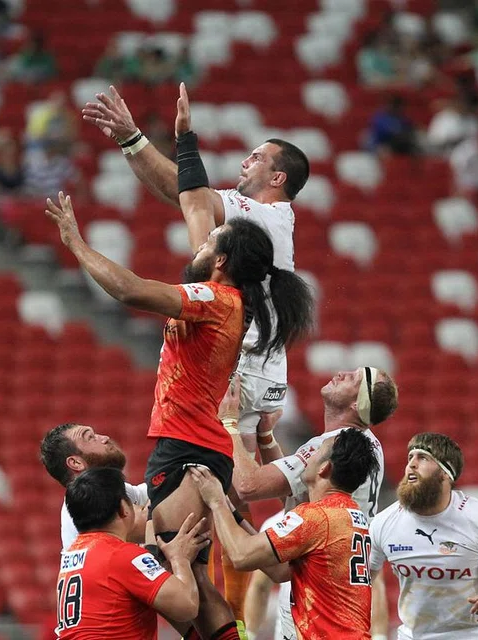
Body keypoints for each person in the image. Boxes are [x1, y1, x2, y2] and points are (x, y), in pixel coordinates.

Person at [83, 84, 313, 616]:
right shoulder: (254, 234)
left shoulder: (264, 218)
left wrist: (143, 139)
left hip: (238, 368)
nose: (245, 160)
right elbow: (190, 201)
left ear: (277, 178)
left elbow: (190, 196)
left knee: (187, 532)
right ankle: (279, 556)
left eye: (257, 156)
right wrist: (138, 142)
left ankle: (295, 550)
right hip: (243, 364)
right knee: (213, 523)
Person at [43, 189, 314, 640]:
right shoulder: (220, 300)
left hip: (189, 446)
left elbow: (129, 289)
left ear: (222, 261)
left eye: (211, 243)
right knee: (179, 566)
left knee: (181, 569)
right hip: (194, 445)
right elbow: (195, 212)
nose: (200, 245)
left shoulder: (216, 300)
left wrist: (75, 242)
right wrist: (181, 147)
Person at [219, 368, 397, 640]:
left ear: (356, 404)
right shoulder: (366, 446)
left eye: (354, 379)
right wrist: (267, 439)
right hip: (335, 579)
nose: (342, 373)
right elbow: (299, 495)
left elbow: (247, 485)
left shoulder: (331, 447)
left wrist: (230, 424)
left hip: (317, 595)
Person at [189, 427, 381, 639]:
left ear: (324, 468)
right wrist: (231, 511)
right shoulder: (352, 514)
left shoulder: (316, 517)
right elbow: (281, 572)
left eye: (316, 452)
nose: (308, 457)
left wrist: (216, 502)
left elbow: (241, 556)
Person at [369, 433, 478, 639]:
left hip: (472, 634)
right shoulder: (384, 522)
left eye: (422, 458)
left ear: (445, 473)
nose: (411, 466)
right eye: (410, 457)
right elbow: (367, 582)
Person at [57, 467, 208, 637]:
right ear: (124, 508)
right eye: (134, 503)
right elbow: (186, 606)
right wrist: (180, 559)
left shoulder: (72, 555)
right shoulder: (121, 555)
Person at [39, 422, 149, 549]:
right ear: (75, 462)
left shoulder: (110, 488)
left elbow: (154, 491)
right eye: (90, 437)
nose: (105, 438)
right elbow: (150, 524)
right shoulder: (88, 504)